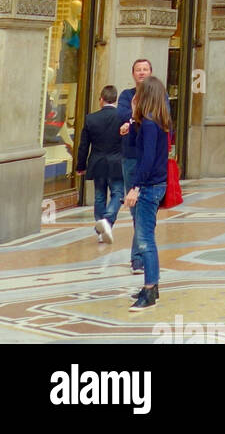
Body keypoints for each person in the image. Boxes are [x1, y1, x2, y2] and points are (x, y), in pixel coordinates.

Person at [123, 75, 171, 310]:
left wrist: (136, 187)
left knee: (144, 240)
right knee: (145, 236)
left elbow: (147, 159)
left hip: (150, 186)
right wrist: (133, 117)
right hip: (153, 184)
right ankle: (151, 286)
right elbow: (133, 145)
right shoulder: (152, 122)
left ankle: (150, 289)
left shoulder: (152, 124)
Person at [116, 58, 153, 280]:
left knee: (145, 209)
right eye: (138, 70)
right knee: (135, 208)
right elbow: (121, 116)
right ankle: (139, 257)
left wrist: (132, 120)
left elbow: (160, 118)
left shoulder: (158, 95)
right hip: (131, 156)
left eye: (145, 69)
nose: (141, 72)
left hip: (151, 158)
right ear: (133, 74)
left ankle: (139, 257)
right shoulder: (126, 96)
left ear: (151, 72)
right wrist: (131, 119)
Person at [76, 85, 124, 244]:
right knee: (118, 193)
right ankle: (108, 220)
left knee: (99, 195)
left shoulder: (91, 118)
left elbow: (84, 145)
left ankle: (100, 228)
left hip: (97, 162)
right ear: (115, 99)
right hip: (117, 162)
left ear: (101, 100)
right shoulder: (122, 117)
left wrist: (80, 166)